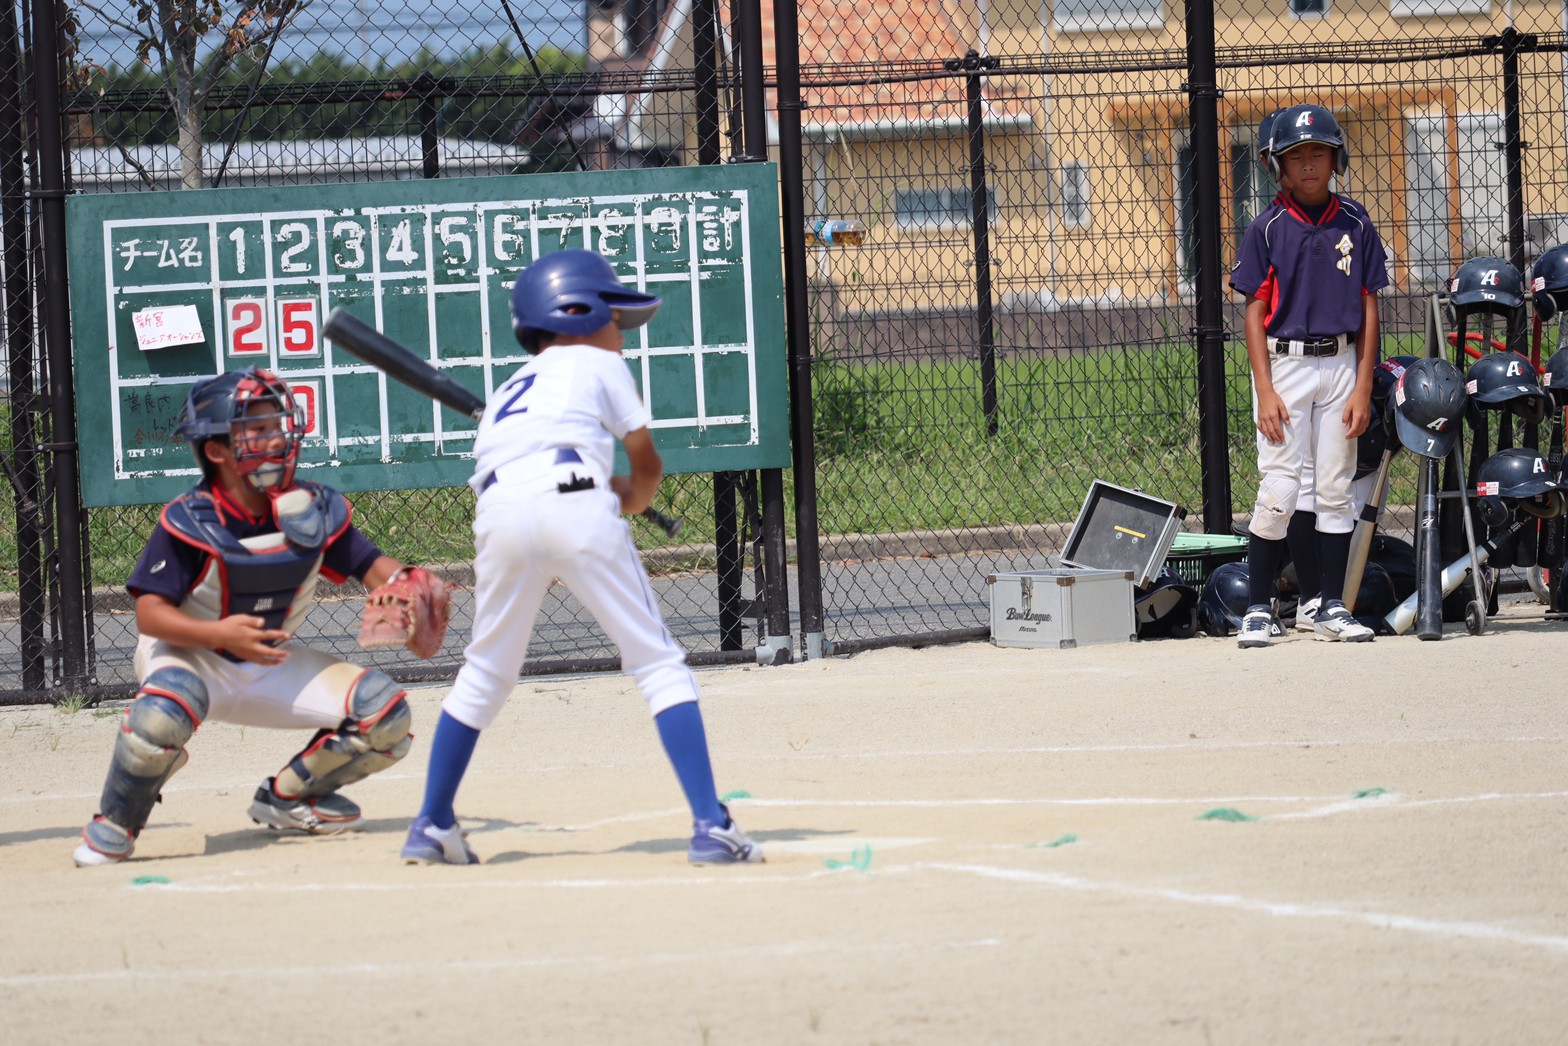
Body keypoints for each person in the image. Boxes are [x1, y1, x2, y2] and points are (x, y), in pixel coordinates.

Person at [399, 247, 763, 866]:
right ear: (576, 314)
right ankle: (711, 824)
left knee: (486, 673)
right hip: (574, 504)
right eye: (612, 318)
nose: (619, 330)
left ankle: (432, 824)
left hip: (499, 513)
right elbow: (646, 464)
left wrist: (610, 488)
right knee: (658, 662)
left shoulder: (512, 386)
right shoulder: (596, 363)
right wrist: (630, 496)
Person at [73, 368, 440, 866]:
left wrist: (410, 586)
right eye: (259, 428)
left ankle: (290, 798)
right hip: (189, 655)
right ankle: (116, 821)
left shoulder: (314, 509)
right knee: (160, 717)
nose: (278, 437)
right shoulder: (190, 519)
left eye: (277, 425)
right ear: (218, 450)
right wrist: (217, 633)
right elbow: (150, 616)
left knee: (385, 712)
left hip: (268, 661)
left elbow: (372, 568)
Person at [1227, 102, 1388, 647]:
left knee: (1333, 489)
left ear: (1336, 156)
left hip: (1342, 363)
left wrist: (1364, 383)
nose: (1309, 164)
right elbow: (1253, 311)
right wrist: (1265, 388)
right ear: (1277, 165)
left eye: (1319, 152)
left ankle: (1328, 607)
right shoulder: (1268, 227)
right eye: (1296, 156)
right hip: (1285, 364)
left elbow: (1368, 305)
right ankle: (1257, 605)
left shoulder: (1356, 222)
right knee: (1280, 486)